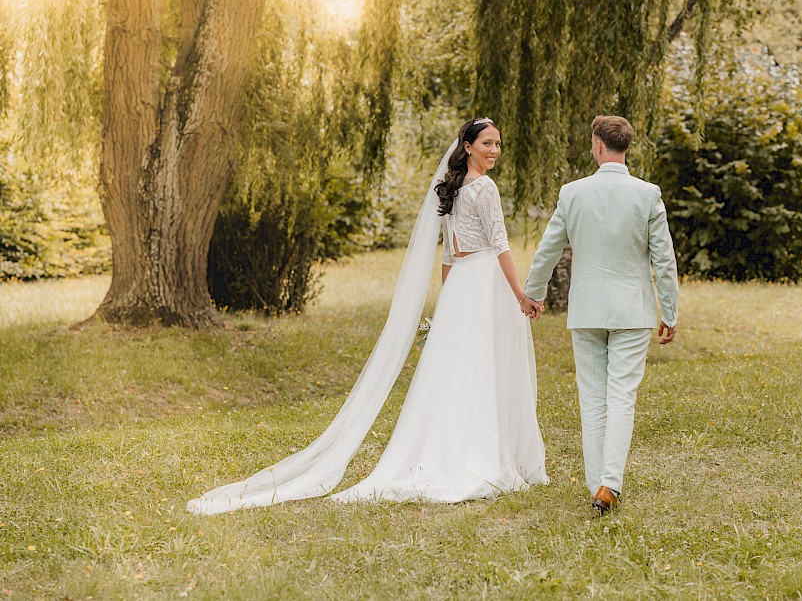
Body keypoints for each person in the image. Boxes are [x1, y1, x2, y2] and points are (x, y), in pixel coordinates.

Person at [187, 118, 547, 514]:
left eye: (498, 144)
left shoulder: (452, 187)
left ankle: (457, 451)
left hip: (462, 285)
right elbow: (500, 245)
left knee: (459, 372)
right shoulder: (484, 187)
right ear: (467, 145)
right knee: (483, 368)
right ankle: (482, 457)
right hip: (483, 282)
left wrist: (449, 304)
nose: (494, 151)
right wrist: (521, 295)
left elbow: (448, 255)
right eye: (487, 143)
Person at [522, 115, 679, 515]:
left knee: (592, 397)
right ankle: (610, 483)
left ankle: (598, 486)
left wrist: (533, 294)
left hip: (587, 309)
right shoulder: (647, 194)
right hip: (632, 311)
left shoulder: (573, 193)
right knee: (622, 396)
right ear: (625, 147)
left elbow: (548, 249)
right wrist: (670, 310)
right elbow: (664, 258)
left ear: (597, 145)